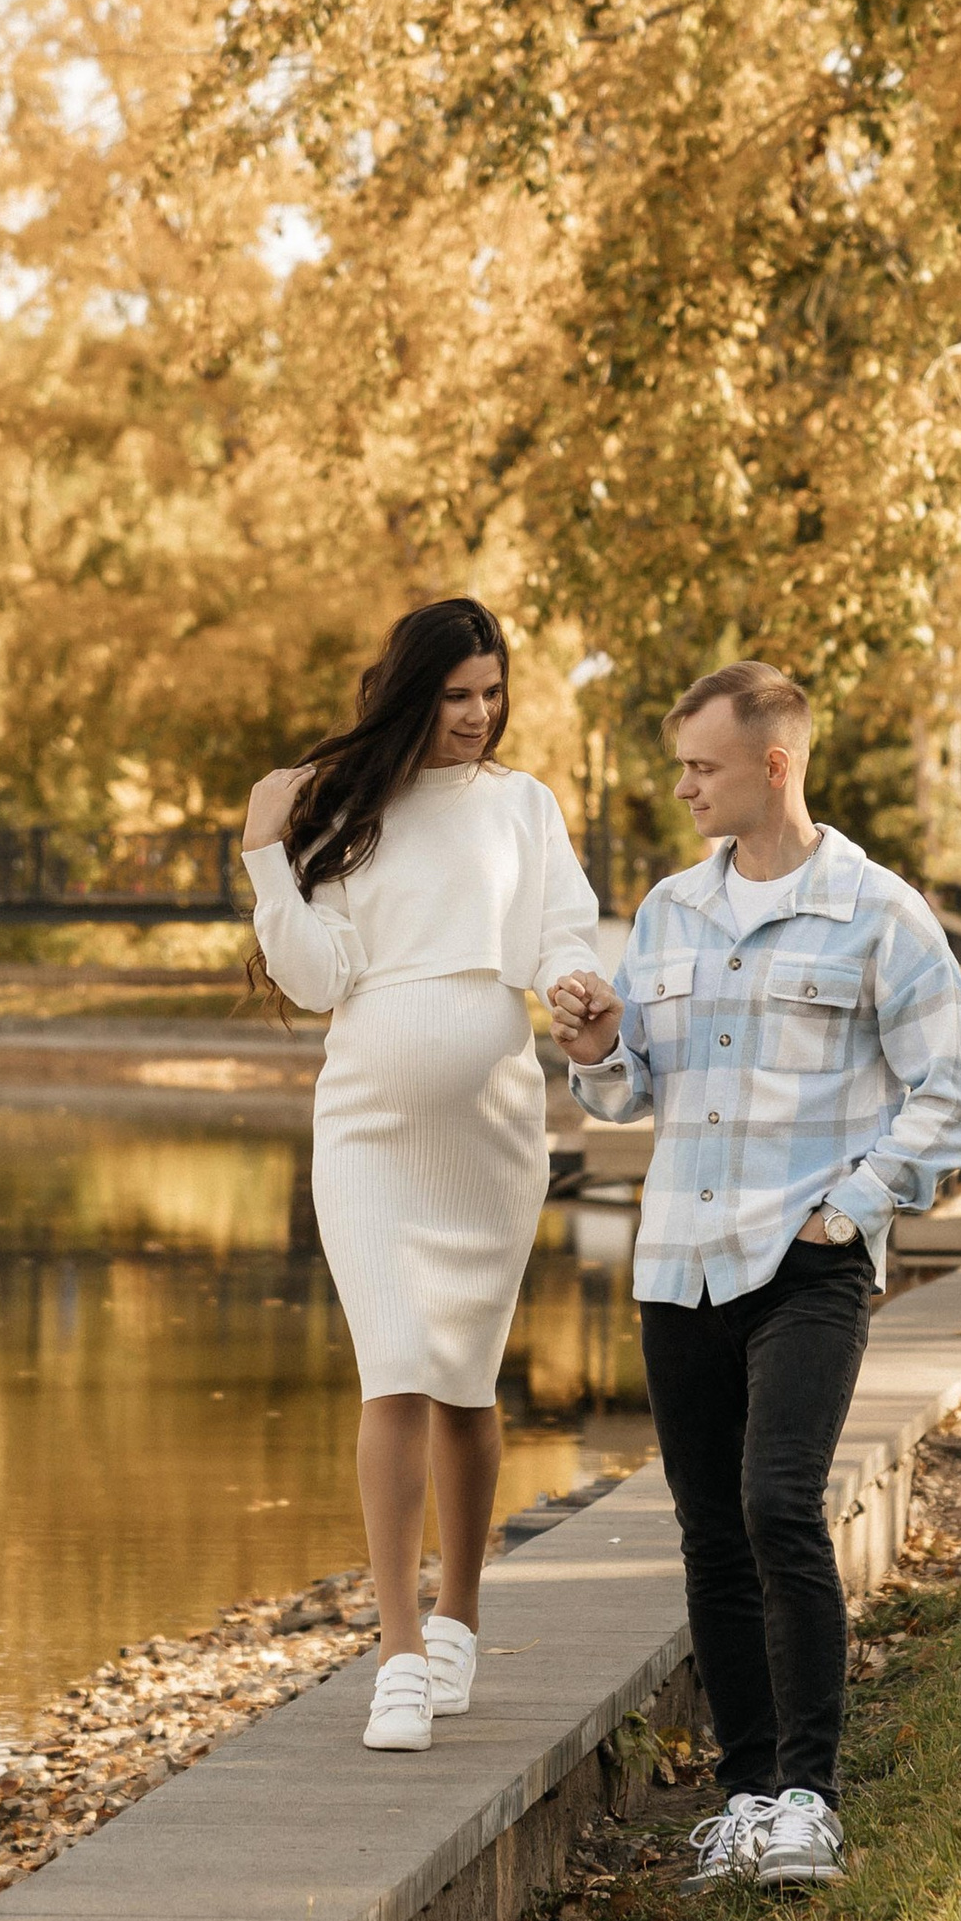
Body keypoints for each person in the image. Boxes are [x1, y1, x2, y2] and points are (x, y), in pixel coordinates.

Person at [550, 663, 961, 1887]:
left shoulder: (878, 912)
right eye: (683, 765)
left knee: (778, 1508)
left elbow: (953, 1092)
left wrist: (849, 1209)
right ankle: (745, 1799)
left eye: (702, 764)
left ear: (773, 763)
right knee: (708, 1539)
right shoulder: (669, 912)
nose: (684, 785)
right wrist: (596, 1048)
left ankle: (809, 1798)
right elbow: (636, 1083)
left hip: (805, 1264)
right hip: (677, 1267)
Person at [244, 597, 605, 1755]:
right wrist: (265, 857)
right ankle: (397, 1651)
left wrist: (577, 988)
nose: (479, 714)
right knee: (393, 1368)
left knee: (464, 1381)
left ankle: (460, 1617)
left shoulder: (522, 804)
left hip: (493, 1128)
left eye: (492, 693)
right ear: (413, 693)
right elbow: (315, 976)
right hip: (367, 1131)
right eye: (457, 695)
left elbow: (563, 927)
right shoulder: (350, 810)